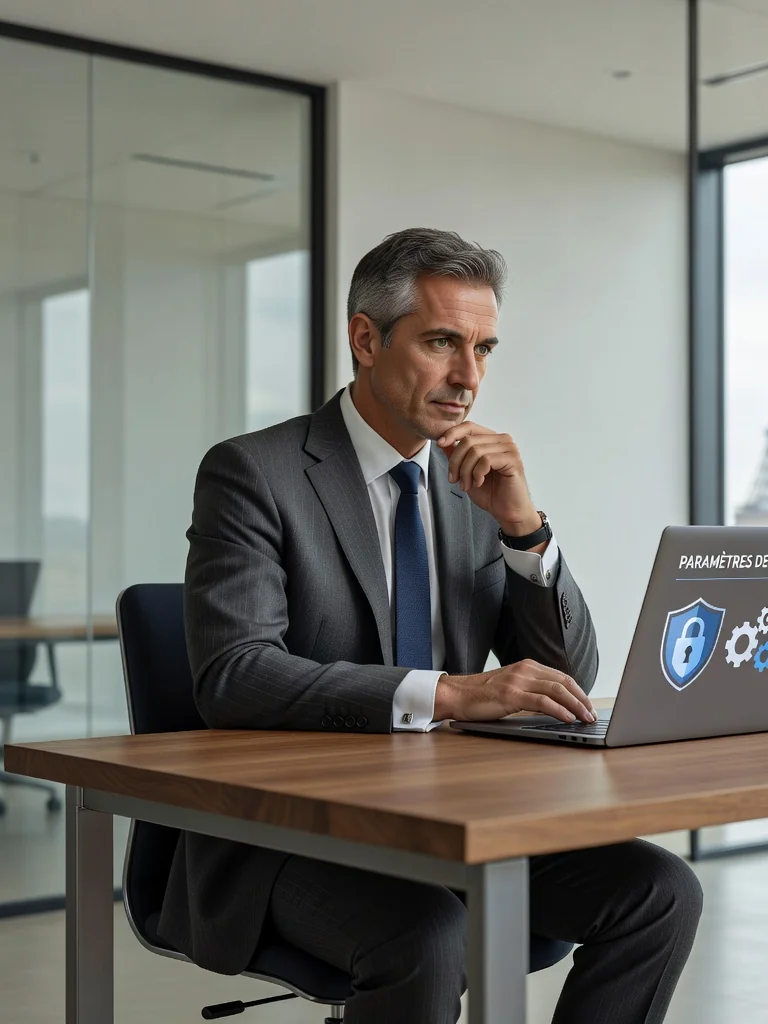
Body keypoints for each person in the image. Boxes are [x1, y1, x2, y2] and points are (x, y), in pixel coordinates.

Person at [163, 228, 703, 1023]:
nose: (469, 376)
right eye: (443, 342)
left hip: (454, 823)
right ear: (365, 339)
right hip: (289, 835)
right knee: (425, 933)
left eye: (484, 348)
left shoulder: (471, 486)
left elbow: (567, 675)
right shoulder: (255, 473)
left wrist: (526, 530)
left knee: (660, 892)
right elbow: (234, 676)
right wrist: (451, 694)